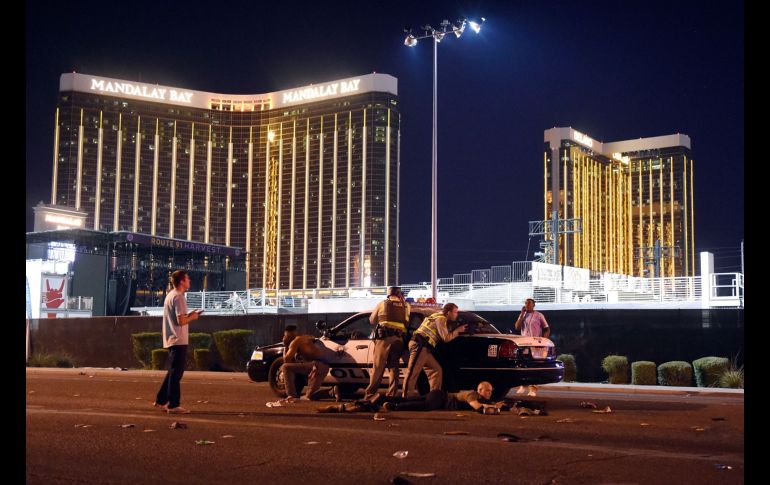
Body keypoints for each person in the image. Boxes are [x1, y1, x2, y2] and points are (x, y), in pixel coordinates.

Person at [153, 270, 202, 414]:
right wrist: (193, 317)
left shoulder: (170, 295)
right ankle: (173, 405)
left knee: (172, 372)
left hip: (171, 338)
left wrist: (189, 315)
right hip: (178, 339)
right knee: (176, 374)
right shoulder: (179, 297)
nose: (189, 281)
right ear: (181, 281)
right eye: (187, 279)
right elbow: (181, 321)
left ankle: (161, 400)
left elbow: (178, 318)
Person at [401, 303, 467, 398]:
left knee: (436, 370)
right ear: (449, 312)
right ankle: (406, 397)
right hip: (419, 345)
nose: (456, 315)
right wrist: (457, 331)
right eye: (455, 312)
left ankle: (434, 397)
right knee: (413, 372)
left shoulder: (436, 315)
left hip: (425, 348)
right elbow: (446, 338)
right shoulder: (441, 318)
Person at [363, 286, 410, 400]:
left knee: (378, 367)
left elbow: (372, 320)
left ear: (389, 294)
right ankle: (392, 395)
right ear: (399, 294)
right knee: (394, 367)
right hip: (399, 339)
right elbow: (407, 322)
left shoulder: (382, 304)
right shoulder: (406, 305)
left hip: (384, 339)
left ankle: (370, 394)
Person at [280, 325, 336, 400]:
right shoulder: (307, 337)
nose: (283, 338)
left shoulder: (295, 342)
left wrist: (285, 345)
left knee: (285, 367)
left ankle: (291, 396)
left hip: (316, 366)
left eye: (285, 336)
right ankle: (333, 392)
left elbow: (286, 360)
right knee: (311, 396)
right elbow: (313, 339)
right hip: (324, 366)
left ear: (289, 335)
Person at [514, 298, 550, 397]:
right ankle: (523, 385)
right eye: (526, 303)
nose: (527, 305)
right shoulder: (522, 315)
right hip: (524, 344)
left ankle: (533, 388)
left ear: (534, 305)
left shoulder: (539, 315)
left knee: (534, 366)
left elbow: (547, 329)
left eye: (529, 303)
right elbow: (517, 327)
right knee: (523, 364)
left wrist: (543, 340)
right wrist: (522, 314)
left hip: (535, 344)